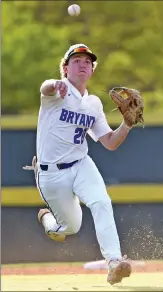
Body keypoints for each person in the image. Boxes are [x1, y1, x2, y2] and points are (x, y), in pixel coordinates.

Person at [25, 44, 134, 285]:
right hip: (51, 174)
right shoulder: (55, 92)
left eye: (87, 61)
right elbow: (45, 87)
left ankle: (114, 262)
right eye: (76, 61)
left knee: (101, 202)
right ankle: (47, 220)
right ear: (65, 68)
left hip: (81, 163)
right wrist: (55, 84)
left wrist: (126, 125)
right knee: (70, 228)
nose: (83, 64)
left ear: (92, 70)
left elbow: (109, 142)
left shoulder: (94, 103)